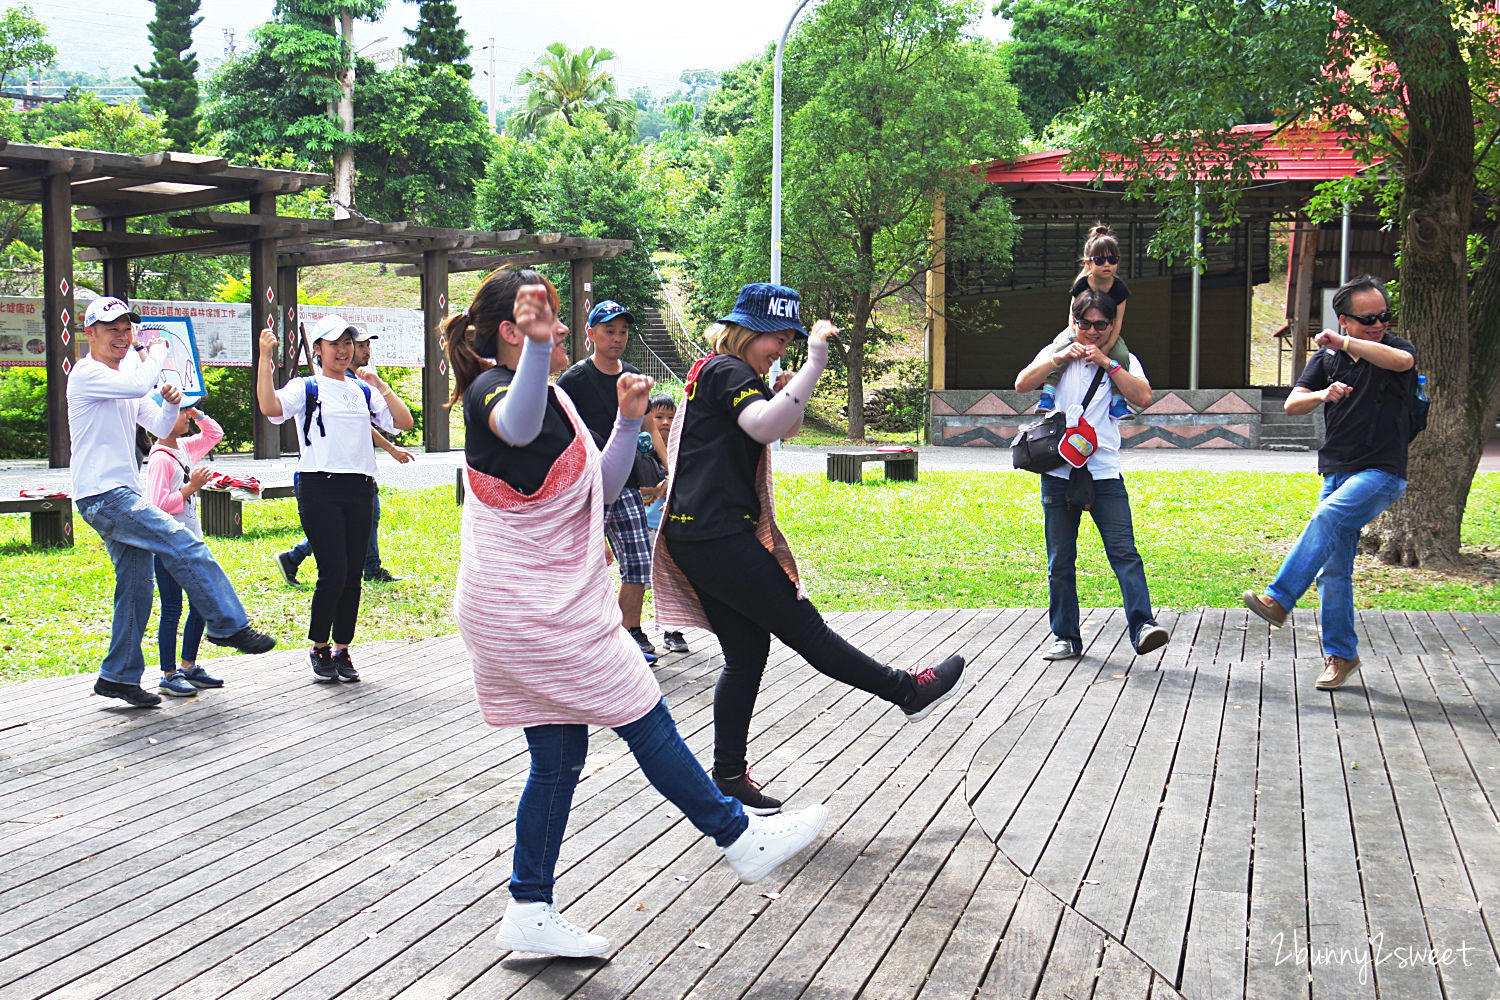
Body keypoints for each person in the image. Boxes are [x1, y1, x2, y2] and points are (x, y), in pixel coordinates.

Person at [445, 267, 828, 959]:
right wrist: (535, 351)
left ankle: (528, 906)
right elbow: (515, 421)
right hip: (534, 612)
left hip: (529, 606)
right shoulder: (491, 392)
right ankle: (738, 837)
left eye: (557, 321)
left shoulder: (556, 399)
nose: (560, 330)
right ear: (511, 330)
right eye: (546, 318)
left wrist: (624, 424)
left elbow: (603, 483)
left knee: (558, 757)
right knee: (642, 712)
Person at [654, 282, 966, 815]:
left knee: (748, 653)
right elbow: (764, 424)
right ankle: (906, 692)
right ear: (748, 331)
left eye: (790, 341)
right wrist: (816, 360)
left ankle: (728, 775)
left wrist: (787, 384)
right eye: (777, 337)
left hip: (700, 535)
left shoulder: (725, 371)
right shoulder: (728, 372)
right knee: (807, 631)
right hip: (716, 537)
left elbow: (783, 425)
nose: (783, 347)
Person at [70, 296, 275, 708]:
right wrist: (159, 354)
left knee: (136, 588)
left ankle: (118, 676)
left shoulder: (126, 376)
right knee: (183, 542)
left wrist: (170, 400)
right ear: (90, 333)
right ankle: (226, 624)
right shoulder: (88, 373)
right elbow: (134, 383)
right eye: (112, 329)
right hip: (102, 494)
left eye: (127, 329)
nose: (122, 337)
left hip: (119, 492)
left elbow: (162, 426)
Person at [1242, 275, 1415, 690]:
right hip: (1337, 469)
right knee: (1333, 571)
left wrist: (1345, 342)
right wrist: (1322, 395)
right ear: (1344, 318)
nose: (1378, 324)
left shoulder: (1394, 347)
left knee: (1327, 515)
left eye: (1384, 316)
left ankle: (1279, 599)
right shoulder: (1327, 360)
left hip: (1382, 470)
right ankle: (1342, 656)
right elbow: (1291, 404)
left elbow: (1401, 364)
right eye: (1367, 318)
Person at [255, 313, 414, 683]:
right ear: (318, 350)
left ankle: (343, 648)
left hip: (359, 486)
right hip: (318, 485)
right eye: (334, 344)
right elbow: (270, 408)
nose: (343, 351)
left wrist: (381, 385)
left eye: (348, 344)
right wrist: (265, 359)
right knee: (334, 571)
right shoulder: (305, 387)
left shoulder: (362, 390)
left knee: (353, 575)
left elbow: (403, 423)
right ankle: (319, 646)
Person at [1014, 288, 1171, 662]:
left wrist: (1107, 362)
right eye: (1085, 324)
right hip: (1058, 471)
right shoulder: (1058, 355)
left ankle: (1143, 625)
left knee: (1124, 553)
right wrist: (1059, 355)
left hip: (1103, 472)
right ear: (1074, 321)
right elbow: (1021, 384)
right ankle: (1065, 636)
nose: (1092, 332)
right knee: (1060, 559)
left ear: (1111, 325)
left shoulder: (1121, 359)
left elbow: (1144, 397)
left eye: (1101, 325)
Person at [274, 326, 414, 586]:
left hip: (357, 472)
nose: (363, 351)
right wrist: (391, 449)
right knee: (338, 541)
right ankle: (300, 557)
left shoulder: (363, 383)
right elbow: (363, 426)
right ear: (320, 349)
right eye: (360, 345)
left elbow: (394, 421)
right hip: (327, 473)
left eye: (359, 345)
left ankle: (364, 566)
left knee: (358, 525)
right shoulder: (328, 381)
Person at [556, 300, 658, 655]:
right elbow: (562, 435)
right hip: (585, 489)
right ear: (591, 334)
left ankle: (630, 630)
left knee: (638, 561)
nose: (617, 338)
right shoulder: (574, 380)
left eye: (623, 332)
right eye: (609, 331)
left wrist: (669, 463)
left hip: (627, 485)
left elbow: (648, 424)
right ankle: (585, 638)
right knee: (586, 568)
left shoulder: (631, 375)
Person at [144, 403, 226, 697]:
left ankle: (189, 666)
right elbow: (158, 505)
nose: (185, 417)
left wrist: (196, 412)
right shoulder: (160, 459)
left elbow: (215, 433)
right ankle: (168, 674)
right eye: (180, 413)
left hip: (191, 542)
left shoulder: (183, 447)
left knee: (202, 603)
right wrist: (192, 487)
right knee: (172, 609)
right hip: (168, 546)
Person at [1038, 224, 1133, 420]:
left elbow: (1118, 321)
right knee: (1059, 348)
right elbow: (1072, 316)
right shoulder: (1082, 284)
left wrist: (1105, 349)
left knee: (1122, 356)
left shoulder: (1119, 288)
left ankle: (1117, 400)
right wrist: (1074, 337)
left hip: (1107, 331)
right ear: (1088, 262)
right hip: (1077, 329)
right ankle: (1048, 392)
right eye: (1100, 260)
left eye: (1112, 259)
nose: (1107, 264)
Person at [640, 394, 689, 654]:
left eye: (671, 417)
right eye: (659, 417)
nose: (666, 423)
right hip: (645, 526)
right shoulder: (642, 448)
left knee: (674, 579)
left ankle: (674, 630)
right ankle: (634, 629)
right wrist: (655, 487)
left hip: (672, 527)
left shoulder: (682, 450)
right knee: (639, 581)